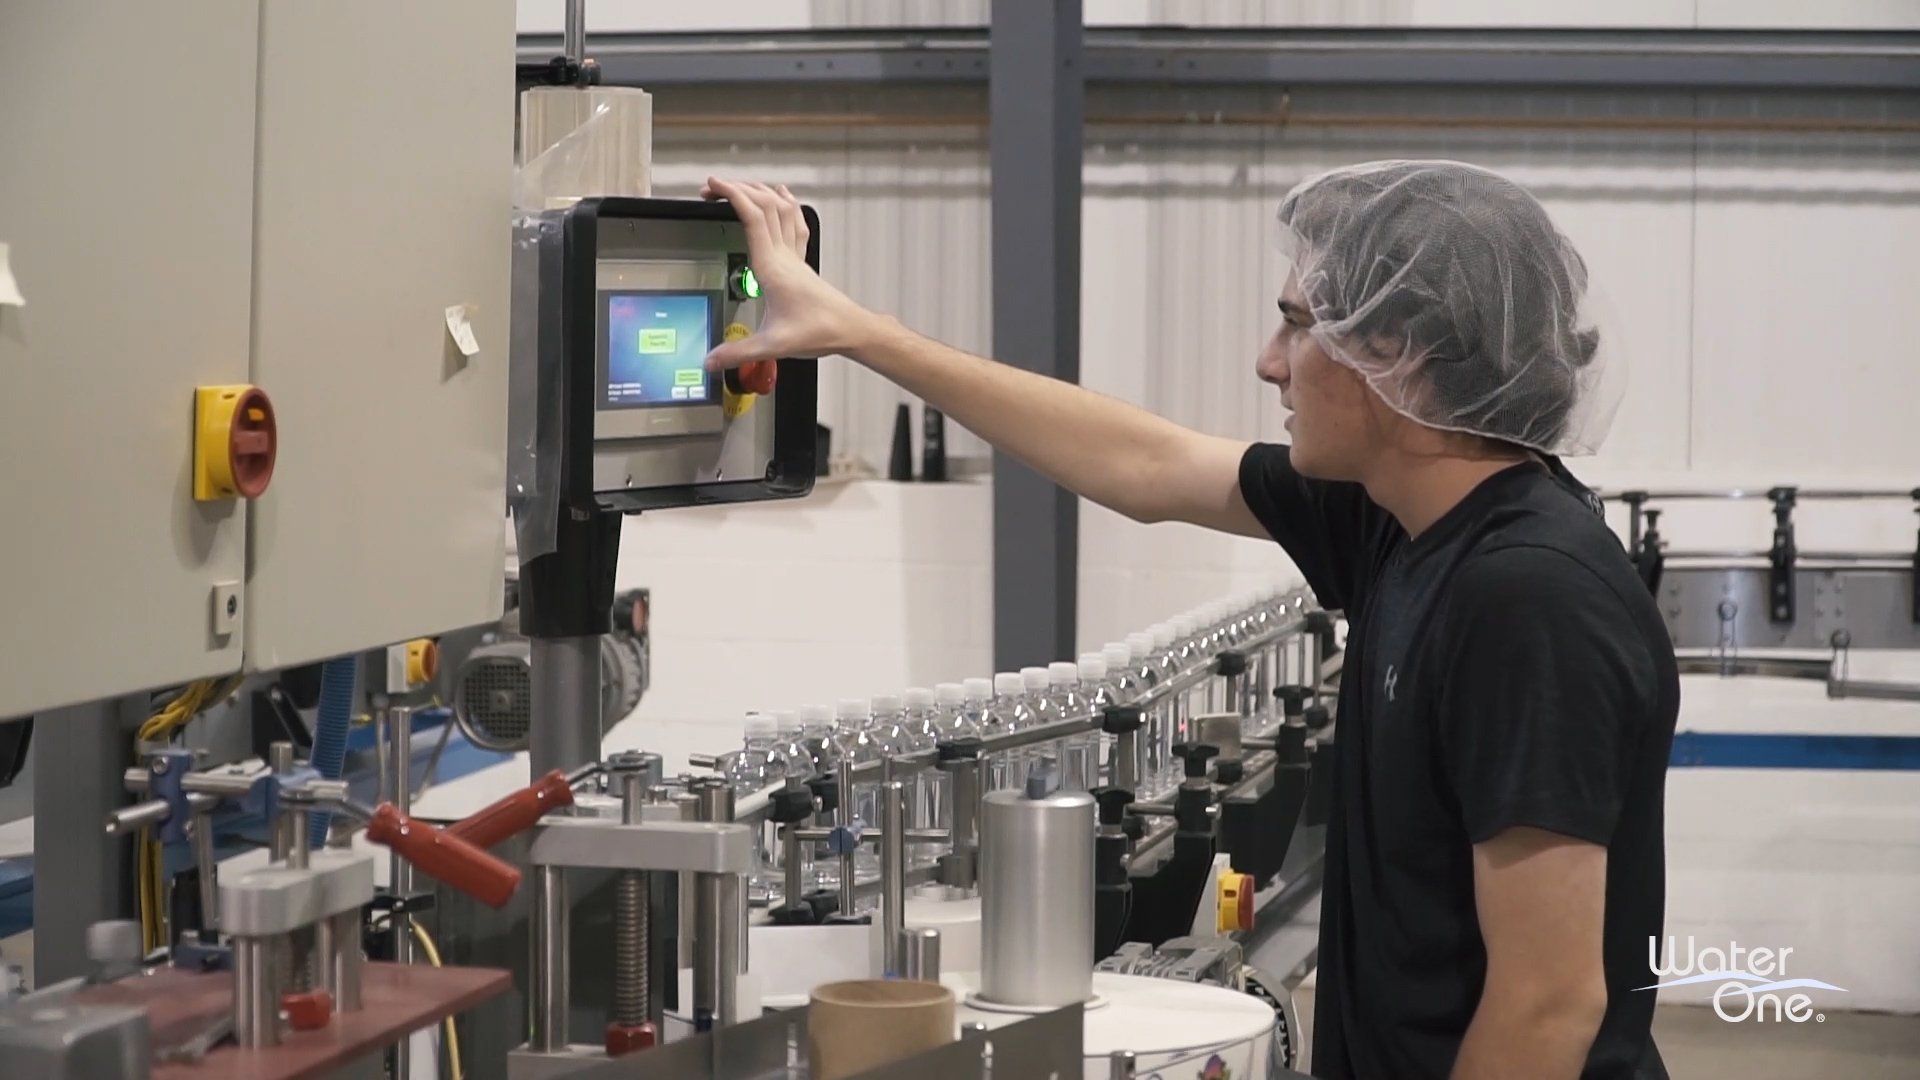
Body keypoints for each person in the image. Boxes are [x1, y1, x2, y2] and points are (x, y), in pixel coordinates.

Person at [701, 161, 1678, 1080]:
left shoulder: (1525, 597)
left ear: (1403, 357)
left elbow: (1550, 1001)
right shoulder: (1400, 519)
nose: (1269, 362)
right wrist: (861, 333)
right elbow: (1147, 465)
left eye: (1300, 326)